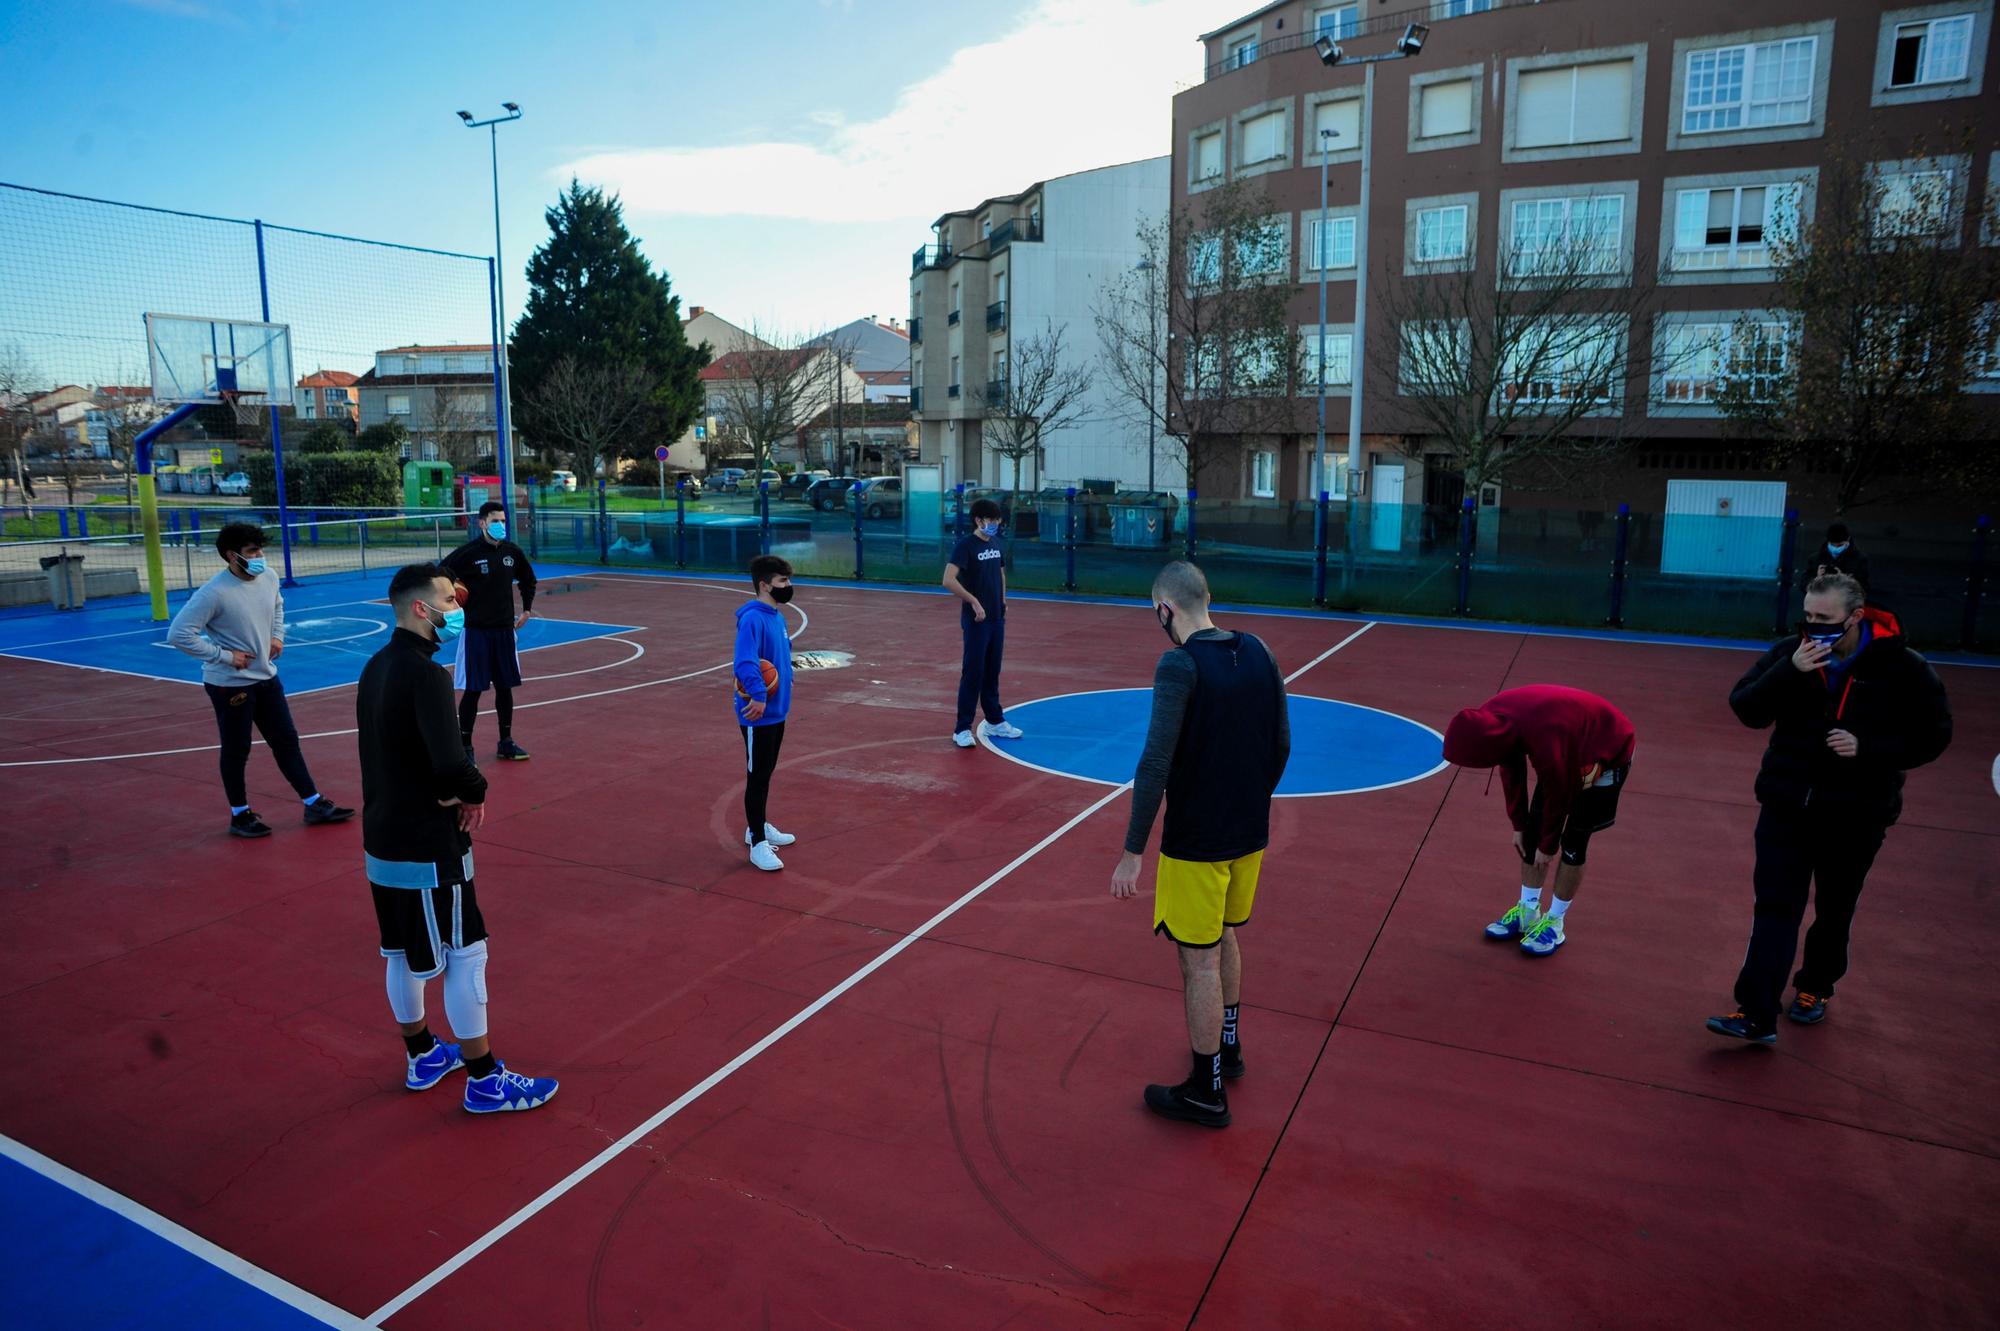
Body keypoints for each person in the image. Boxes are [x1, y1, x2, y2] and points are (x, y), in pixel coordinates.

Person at [1707, 572, 1951, 1045]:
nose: (1814, 626)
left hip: (1857, 814)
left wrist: (1869, 747)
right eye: (1809, 617)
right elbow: (1746, 709)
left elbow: (1935, 735)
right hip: (1786, 807)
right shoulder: (1790, 653)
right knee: (1776, 908)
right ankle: (1756, 1013)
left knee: (1835, 907)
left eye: (1826, 619)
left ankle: (1815, 987)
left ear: (1856, 617)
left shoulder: (1903, 667)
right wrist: (1790, 670)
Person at [357, 563, 558, 1113]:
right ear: (421, 609)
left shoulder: (375, 667)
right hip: (427, 843)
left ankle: (422, 1053)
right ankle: (485, 1077)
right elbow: (450, 760)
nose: (456, 608)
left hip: (383, 837)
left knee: (400, 952)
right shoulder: (427, 675)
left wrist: (447, 785)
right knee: (467, 953)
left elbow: (394, 754)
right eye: (448, 599)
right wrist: (473, 789)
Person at [1111, 561, 1289, 1129]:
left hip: (1197, 842)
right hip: (1249, 833)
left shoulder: (1178, 664)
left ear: (1165, 609)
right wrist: (1249, 799)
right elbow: (1281, 744)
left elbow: (1155, 762)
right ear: (1207, 598)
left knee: (1199, 960)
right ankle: (1228, 1048)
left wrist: (1132, 851)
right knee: (1226, 936)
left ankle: (1206, 1089)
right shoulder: (1260, 649)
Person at [166, 521, 353, 839]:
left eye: (261, 550)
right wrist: (225, 657)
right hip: (230, 685)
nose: (260, 557)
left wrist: (277, 636)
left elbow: (277, 606)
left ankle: (313, 802)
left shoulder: (268, 577)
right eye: (252, 551)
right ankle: (240, 815)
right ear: (231, 555)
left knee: (286, 741)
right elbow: (179, 634)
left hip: (266, 678)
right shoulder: (213, 593)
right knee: (237, 749)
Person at [1441, 686, 1636, 957]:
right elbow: (1511, 768)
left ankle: (1555, 922)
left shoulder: (1545, 737)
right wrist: (1519, 825)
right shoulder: (1489, 721)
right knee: (1533, 833)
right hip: (1566, 743)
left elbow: (1558, 793)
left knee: (1573, 841)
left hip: (1607, 748)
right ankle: (1528, 911)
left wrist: (1548, 845)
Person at [441, 501, 538, 762]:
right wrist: (451, 602)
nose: (501, 525)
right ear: (482, 523)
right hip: (477, 633)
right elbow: (441, 575)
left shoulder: (511, 552)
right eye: (495, 521)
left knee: (505, 688)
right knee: (473, 690)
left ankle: (505, 742)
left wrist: (527, 609)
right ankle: (465, 747)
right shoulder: (467, 553)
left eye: (503, 521)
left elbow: (528, 579)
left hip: (505, 631)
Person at [943, 497, 1023, 749]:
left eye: (998, 520)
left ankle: (994, 721)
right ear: (979, 520)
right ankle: (962, 728)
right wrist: (974, 602)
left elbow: (1000, 571)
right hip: (977, 621)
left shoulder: (996, 544)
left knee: (992, 671)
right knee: (973, 672)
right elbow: (948, 579)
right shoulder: (966, 546)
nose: (996, 524)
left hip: (997, 619)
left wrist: (1003, 599)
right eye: (992, 520)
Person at [735, 555, 798, 872]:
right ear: (764, 585)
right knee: (757, 777)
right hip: (756, 714)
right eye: (783, 581)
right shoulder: (752, 619)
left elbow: (781, 658)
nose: (789, 587)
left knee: (766, 772)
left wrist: (789, 680)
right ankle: (757, 843)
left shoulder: (776, 616)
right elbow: (745, 662)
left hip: (777, 710)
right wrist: (758, 695)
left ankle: (756, 824)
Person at [1801, 521, 1870, 593]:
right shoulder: (1815, 559)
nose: (1835, 548)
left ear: (1848, 540)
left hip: (1844, 601)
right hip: (1821, 600)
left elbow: (1864, 589)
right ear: (1828, 541)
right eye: (1832, 544)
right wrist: (1817, 579)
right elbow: (1803, 586)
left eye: (1840, 545)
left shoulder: (1860, 559)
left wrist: (1845, 580)